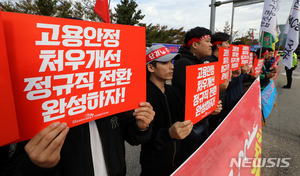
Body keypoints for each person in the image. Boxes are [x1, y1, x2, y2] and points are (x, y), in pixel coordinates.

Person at [1, 103, 155, 176]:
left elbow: (134, 138)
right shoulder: (33, 101)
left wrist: (141, 127)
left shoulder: (115, 94)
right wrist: (37, 167)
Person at [140, 44, 193, 176]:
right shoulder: (142, 96)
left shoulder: (173, 91)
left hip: (176, 159)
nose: (172, 66)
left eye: (171, 62)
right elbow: (139, 136)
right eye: (165, 63)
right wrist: (168, 134)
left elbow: (184, 115)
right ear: (151, 67)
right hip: (153, 164)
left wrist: (208, 110)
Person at [172, 26, 222, 163]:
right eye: (208, 41)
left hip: (201, 120)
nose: (211, 45)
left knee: (199, 157)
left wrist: (211, 104)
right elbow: (190, 97)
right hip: (191, 125)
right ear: (195, 45)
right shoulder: (184, 64)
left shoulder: (198, 62)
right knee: (188, 160)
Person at [203, 32, 230, 134]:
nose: (228, 46)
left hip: (222, 102)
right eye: (226, 43)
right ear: (218, 45)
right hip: (209, 106)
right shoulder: (207, 62)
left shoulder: (225, 61)